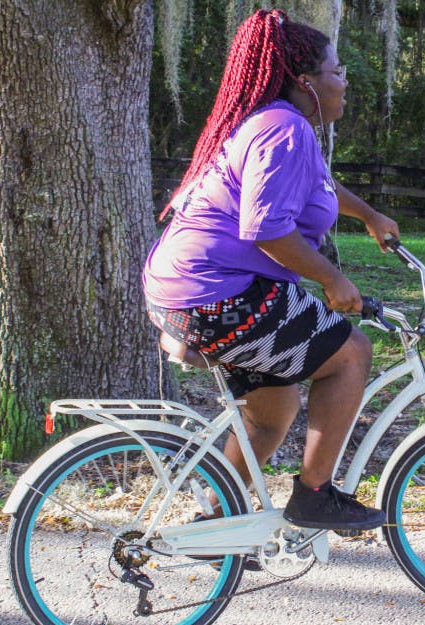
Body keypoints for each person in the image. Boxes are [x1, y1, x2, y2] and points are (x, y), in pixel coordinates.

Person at [143, 9, 399, 532]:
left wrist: (369, 214)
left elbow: (318, 186)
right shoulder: (284, 128)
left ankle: (212, 526)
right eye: (338, 70)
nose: (344, 81)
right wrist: (332, 278)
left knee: (273, 409)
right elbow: (267, 228)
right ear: (306, 82)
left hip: (187, 290)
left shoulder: (275, 123)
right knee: (351, 353)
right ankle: (313, 496)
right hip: (219, 294)